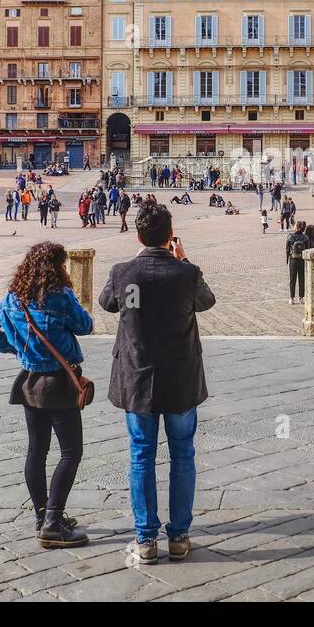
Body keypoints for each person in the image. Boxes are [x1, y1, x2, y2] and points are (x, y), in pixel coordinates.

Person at [99, 202, 215, 564]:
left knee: (140, 455)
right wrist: (183, 260)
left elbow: (107, 303)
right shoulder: (185, 273)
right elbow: (206, 301)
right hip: (180, 379)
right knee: (183, 454)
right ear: (170, 235)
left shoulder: (124, 273)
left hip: (138, 379)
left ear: (138, 236)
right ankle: (179, 536)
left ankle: (146, 539)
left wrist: (134, 265)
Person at [0, 242, 94, 548]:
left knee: (36, 451)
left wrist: (15, 347)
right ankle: (53, 521)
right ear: (58, 267)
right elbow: (86, 325)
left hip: (29, 382)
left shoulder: (13, 298)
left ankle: (42, 517)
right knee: (71, 452)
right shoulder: (60, 296)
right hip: (57, 382)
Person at [286, 220, 309, 304]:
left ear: (296, 227)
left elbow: (287, 249)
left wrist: (287, 259)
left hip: (293, 259)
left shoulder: (290, 236)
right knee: (301, 278)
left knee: (292, 279)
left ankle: (292, 298)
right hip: (302, 259)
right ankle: (301, 298)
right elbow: (307, 249)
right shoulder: (305, 237)